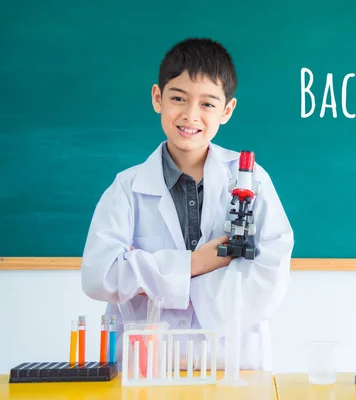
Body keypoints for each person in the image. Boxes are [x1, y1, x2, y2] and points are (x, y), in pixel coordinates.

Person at [80, 38, 294, 371]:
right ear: (157, 98)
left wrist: (151, 274)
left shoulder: (252, 180)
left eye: (207, 104)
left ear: (227, 110)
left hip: (231, 365)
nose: (191, 115)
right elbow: (99, 276)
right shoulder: (127, 188)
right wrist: (193, 264)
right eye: (178, 98)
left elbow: (268, 276)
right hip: (147, 368)